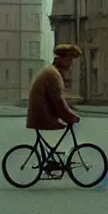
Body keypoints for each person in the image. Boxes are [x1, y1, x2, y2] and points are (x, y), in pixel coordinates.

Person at [26, 44, 81, 173]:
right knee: (64, 126)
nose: (70, 64)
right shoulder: (53, 75)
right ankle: (52, 163)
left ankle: (51, 160)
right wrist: (70, 116)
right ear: (63, 60)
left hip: (41, 112)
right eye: (69, 60)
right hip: (42, 114)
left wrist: (67, 115)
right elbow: (58, 100)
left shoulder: (52, 71)